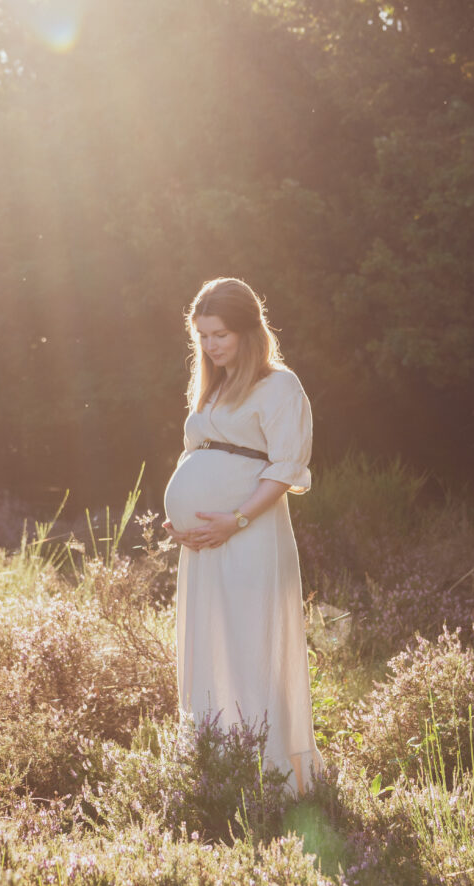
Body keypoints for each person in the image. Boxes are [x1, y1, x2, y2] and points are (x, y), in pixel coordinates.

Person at [163, 277, 325, 795]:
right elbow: (198, 457)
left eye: (220, 335)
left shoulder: (279, 386)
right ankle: (216, 769)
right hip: (204, 545)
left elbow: (285, 469)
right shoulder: (212, 388)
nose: (210, 346)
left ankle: (269, 777)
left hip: (248, 535)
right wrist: (179, 521)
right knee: (210, 643)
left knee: (248, 643)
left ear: (248, 332)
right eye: (203, 336)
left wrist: (235, 519)